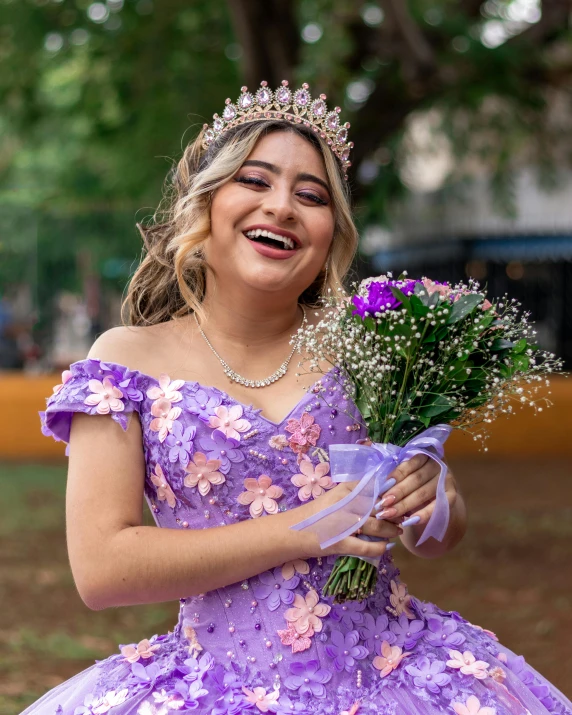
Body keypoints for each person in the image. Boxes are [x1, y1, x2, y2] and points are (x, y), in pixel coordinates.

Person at [30, 81, 570, 715]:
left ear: (330, 234)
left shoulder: (374, 348)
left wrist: (434, 498)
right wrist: (310, 528)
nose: (282, 206)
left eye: (311, 196)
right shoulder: (124, 360)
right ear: (206, 203)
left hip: (392, 679)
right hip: (213, 685)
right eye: (255, 182)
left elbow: (434, 532)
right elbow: (101, 570)